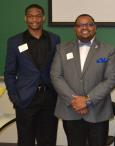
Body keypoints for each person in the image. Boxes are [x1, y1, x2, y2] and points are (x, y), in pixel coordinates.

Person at [50, 14, 115, 146]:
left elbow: (111, 79)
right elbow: (56, 76)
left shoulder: (108, 50)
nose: (85, 28)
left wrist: (87, 100)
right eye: (80, 25)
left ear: (95, 28)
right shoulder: (62, 49)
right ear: (75, 29)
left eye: (89, 24)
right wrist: (74, 101)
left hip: (97, 111)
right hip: (71, 110)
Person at [4, 4, 60, 146]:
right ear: (25, 18)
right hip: (25, 99)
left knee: (48, 140)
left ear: (43, 18)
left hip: (49, 98)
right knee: (25, 140)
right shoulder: (14, 42)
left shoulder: (54, 39)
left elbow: (58, 69)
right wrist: (14, 97)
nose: (34, 19)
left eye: (37, 15)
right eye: (30, 16)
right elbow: (9, 73)